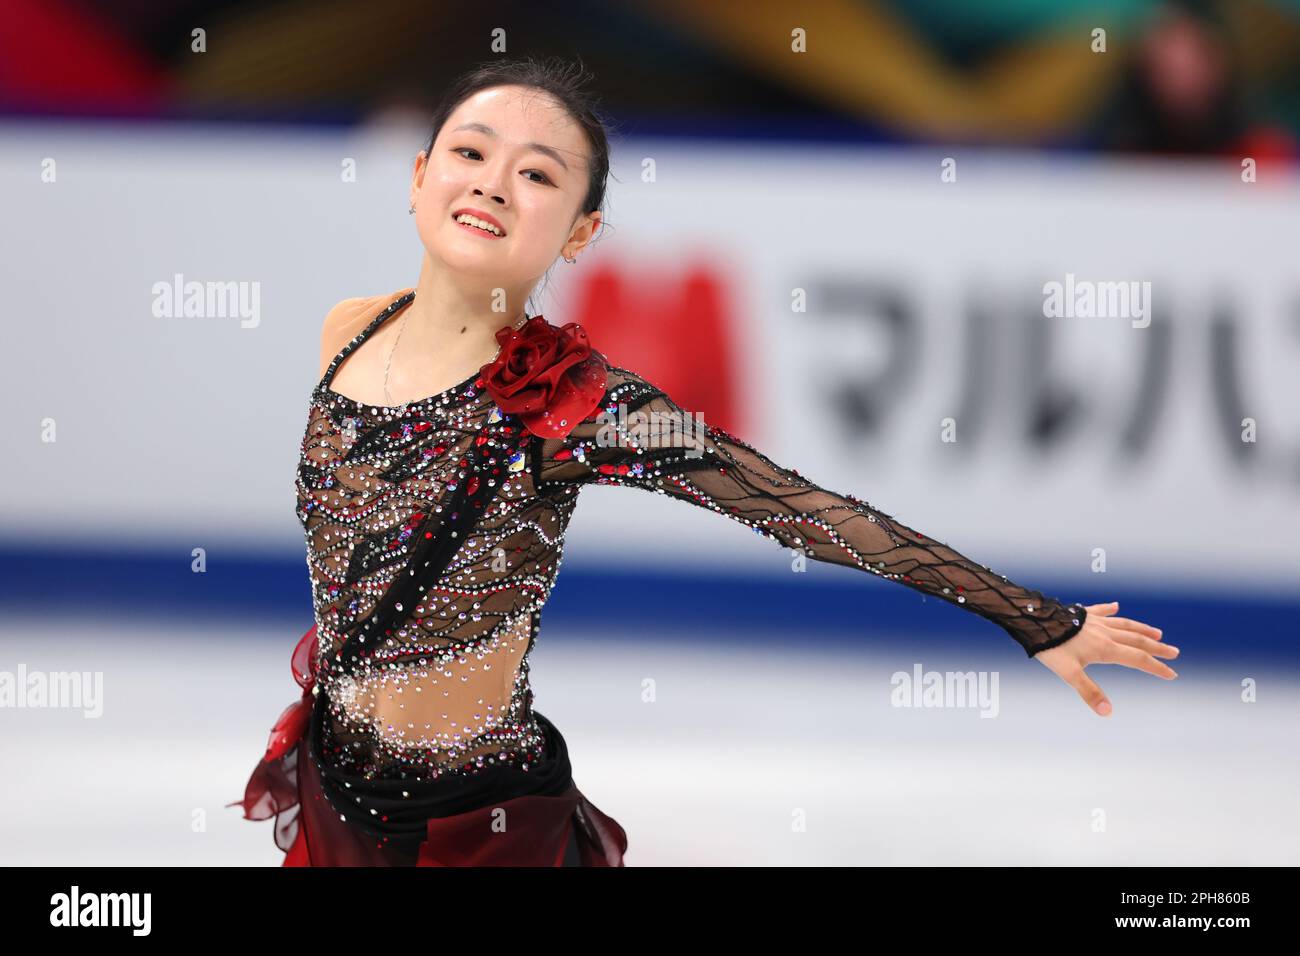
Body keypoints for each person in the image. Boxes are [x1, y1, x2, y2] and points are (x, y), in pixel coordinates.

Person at [228, 56, 1176, 867]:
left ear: (581, 233)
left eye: (538, 176)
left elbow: (796, 506)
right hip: (336, 794)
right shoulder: (350, 332)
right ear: (420, 172)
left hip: (483, 824)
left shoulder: (580, 405)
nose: (492, 183)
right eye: (471, 154)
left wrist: (1035, 619)